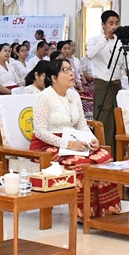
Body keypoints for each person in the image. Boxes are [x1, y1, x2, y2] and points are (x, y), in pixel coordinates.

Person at [30, 59, 119, 218]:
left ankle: (106, 210)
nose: (71, 73)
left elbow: (81, 124)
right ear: (54, 78)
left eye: (71, 69)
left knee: (105, 158)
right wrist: (68, 144)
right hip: (47, 145)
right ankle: (84, 212)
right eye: (65, 70)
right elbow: (40, 132)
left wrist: (92, 139)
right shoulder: (44, 97)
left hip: (73, 140)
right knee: (82, 164)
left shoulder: (74, 94)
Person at [86, 10, 129, 155]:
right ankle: (103, 153)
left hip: (117, 84)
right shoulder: (95, 40)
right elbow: (90, 54)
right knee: (104, 119)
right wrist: (106, 38)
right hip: (102, 84)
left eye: (116, 23)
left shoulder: (120, 42)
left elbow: (123, 64)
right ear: (103, 25)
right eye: (111, 23)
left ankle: (118, 154)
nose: (114, 26)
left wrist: (128, 68)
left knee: (119, 120)